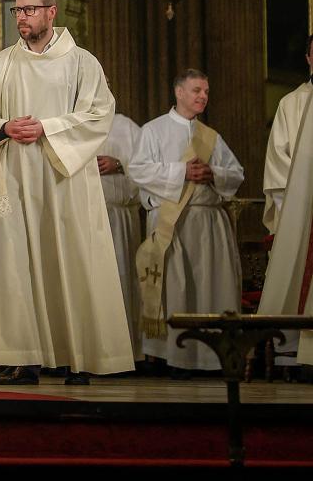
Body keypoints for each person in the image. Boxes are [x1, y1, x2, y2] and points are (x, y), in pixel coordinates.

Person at [0, 0, 132, 385]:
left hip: (64, 179)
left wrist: (48, 127)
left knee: (70, 259)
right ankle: (22, 357)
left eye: (30, 10)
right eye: (17, 11)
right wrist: (3, 126)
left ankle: (79, 356)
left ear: (52, 12)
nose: (22, 17)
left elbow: (98, 115)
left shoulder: (81, 63)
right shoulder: (2, 64)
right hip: (15, 177)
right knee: (15, 265)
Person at [130, 70, 245, 377]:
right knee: (178, 290)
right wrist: (181, 172)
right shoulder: (153, 131)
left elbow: (236, 173)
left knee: (211, 288)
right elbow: (138, 171)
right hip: (173, 223)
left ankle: (211, 358)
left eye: (206, 92)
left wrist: (214, 175)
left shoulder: (211, 136)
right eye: (196, 90)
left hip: (208, 224)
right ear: (178, 92)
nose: (203, 97)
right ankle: (178, 358)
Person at [258, 35, 313, 368]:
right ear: (308, 57)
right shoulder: (292, 104)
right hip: (302, 210)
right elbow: (279, 163)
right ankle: (292, 350)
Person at [97, 110, 145, 362]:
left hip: (119, 219)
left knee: (120, 279)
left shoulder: (125, 126)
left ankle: (122, 353)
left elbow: (147, 166)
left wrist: (119, 164)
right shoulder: (69, 123)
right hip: (81, 217)